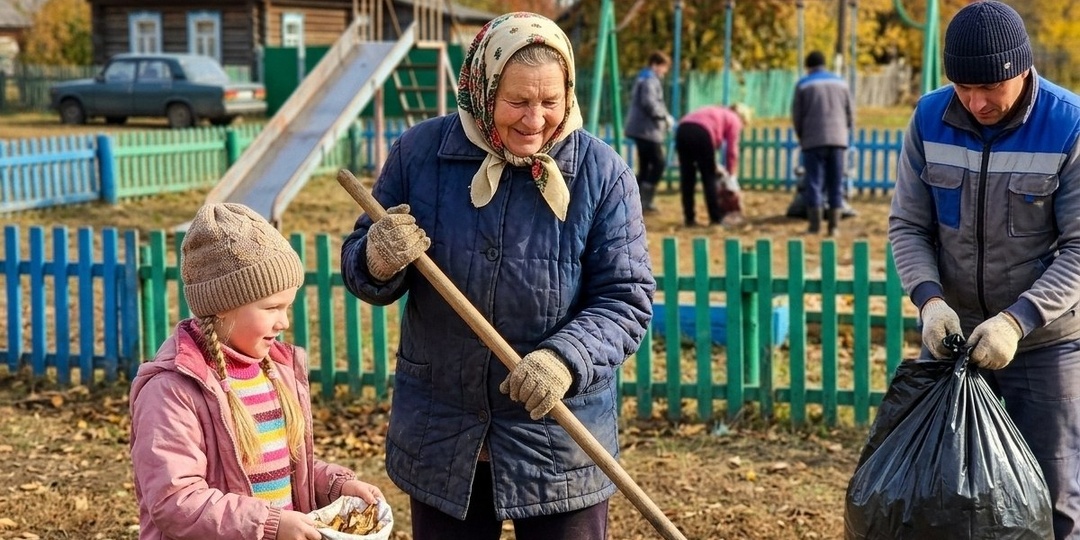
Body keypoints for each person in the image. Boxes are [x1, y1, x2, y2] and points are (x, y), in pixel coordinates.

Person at [340, 12, 655, 540]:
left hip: (558, 437)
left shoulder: (603, 173)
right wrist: (377, 257)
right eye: (518, 102)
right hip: (445, 429)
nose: (536, 120)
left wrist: (564, 359)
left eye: (550, 102)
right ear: (482, 89)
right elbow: (359, 268)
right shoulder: (419, 155)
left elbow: (626, 299)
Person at [888, 2, 1080, 538]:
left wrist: (1016, 321)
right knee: (939, 495)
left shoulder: (1069, 125)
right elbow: (908, 225)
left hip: (1045, 347)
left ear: (1021, 67)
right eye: (962, 87)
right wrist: (930, 301)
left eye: (989, 88)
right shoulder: (929, 118)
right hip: (951, 339)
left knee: (1053, 499)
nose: (975, 103)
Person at [129, 203, 385, 540]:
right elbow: (176, 501)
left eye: (287, 306)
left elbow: (281, 469)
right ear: (221, 307)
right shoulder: (172, 390)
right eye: (271, 308)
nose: (284, 322)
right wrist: (269, 525)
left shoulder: (273, 372)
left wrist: (337, 486)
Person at [792, 50, 853, 235]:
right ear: (824, 64)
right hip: (838, 139)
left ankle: (814, 226)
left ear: (808, 66)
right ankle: (834, 227)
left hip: (813, 140)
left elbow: (797, 115)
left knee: (814, 182)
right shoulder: (841, 82)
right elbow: (850, 111)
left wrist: (802, 136)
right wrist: (845, 131)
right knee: (836, 182)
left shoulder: (803, 84)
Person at [674, 103, 749, 227]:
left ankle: (689, 218)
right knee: (708, 177)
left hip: (683, 129)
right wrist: (731, 174)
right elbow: (732, 150)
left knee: (687, 177)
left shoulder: (717, 111)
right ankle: (715, 218)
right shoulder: (734, 119)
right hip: (703, 132)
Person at [624, 50, 674, 213]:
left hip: (642, 129)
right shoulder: (649, 80)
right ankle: (644, 201)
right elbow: (650, 102)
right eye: (663, 67)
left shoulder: (645, 77)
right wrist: (663, 116)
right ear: (655, 65)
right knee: (658, 164)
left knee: (645, 167)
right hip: (646, 130)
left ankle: (633, 202)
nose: (664, 71)